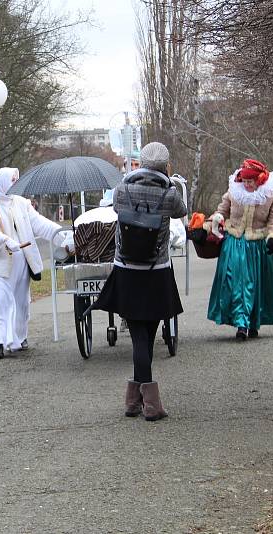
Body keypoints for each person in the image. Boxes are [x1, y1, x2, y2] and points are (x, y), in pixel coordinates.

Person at [92, 142, 187, 421]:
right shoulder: (169, 194)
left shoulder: (122, 190)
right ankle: (152, 405)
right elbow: (182, 212)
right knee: (148, 334)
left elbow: (114, 210)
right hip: (156, 272)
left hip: (127, 271)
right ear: (165, 166)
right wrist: (170, 183)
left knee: (138, 337)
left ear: (141, 164)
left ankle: (134, 401)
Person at [196, 159, 273, 340]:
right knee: (237, 283)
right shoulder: (233, 192)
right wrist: (214, 221)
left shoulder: (271, 196)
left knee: (256, 285)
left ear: (260, 180)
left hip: (258, 247)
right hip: (234, 244)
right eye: (245, 181)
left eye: (251, 181)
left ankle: (253, 321)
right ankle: (241, 324)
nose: (247, 184)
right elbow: (222, 211)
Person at [0, 167, 61, 359]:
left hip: (22, 261)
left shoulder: (22, 203)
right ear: (2, 182)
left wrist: (61, 236)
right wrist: (5, 240)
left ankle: (20, 336)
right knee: (0, 301)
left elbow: (40, 224)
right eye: (12, 179)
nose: (15, 183)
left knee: (22, 302)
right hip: (0, 264)